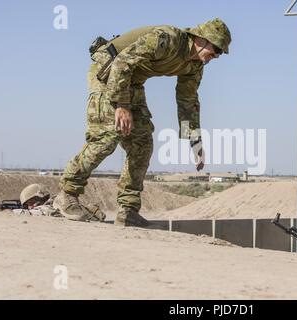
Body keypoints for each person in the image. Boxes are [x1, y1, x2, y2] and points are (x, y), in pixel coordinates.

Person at [53, 18, 231, 227]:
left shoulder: (194, 65)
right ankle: (67, 194)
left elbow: (188, 101)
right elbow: (122, 63)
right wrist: (121, 104)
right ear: (201, 39)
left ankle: (127, 210)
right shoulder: (168, 39)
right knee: (108, 134)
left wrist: (195, 141)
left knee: (142, 142)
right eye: (216, 49)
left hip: (131, 82)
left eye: (220, 53)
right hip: (108, 72)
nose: (216, 56)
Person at [17, 184, 105, 221]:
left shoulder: (51, 206)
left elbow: (41, 211)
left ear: (38, 198)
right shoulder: (57, 201)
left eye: (30, 203)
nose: (30, 207)